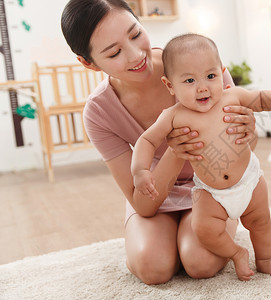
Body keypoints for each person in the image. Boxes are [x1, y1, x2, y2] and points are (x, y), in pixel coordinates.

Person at [61, 0, 259, 285]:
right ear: (88, 63)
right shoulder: (99, 111)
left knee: (200, 262)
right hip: (156, 189)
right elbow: (143, 204)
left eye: (135, 34)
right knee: (152, 268)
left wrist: (248, 132)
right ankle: (168, 240)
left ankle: (194, 235)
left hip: (211, 186)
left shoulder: (196, 62)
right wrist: (176, 152)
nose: (135, 55)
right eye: (114, 52)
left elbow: (245, 151)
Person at [131, 33, 271, 281]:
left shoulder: (232, 96)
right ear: (170, 85)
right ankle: (236, 253)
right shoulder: (172, 116)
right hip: (211, 192)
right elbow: (146, 141)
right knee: (204, 229)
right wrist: (140, 170)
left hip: (249, 181)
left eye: (210, 76)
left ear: (221, 72)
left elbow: (263, 98)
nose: (202, 87)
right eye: (190, 80)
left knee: (261, 222)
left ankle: (265, 259)